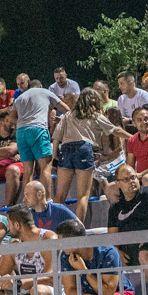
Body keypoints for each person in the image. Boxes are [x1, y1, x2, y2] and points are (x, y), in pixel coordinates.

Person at [51, 86, 116, 224]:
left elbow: (56, 135)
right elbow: (114, 130)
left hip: (66, 149)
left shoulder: (68, 114)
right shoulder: (95, 115)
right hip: (83, 149)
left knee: (59, 196)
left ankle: (55, 228)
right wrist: (131, 135)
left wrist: (54, 155)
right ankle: (78, 228)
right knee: (83, 196)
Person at [12, 76, 59, 194]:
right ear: (40, 86)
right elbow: (66, 108)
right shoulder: (45, 92)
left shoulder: (19, 98)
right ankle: (47, 199)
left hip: (21, 132)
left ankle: (28, 200)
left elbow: (12, 117)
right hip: (38, 129)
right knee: (45, 167)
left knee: (28, 171)